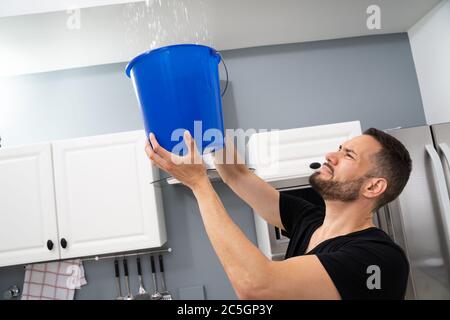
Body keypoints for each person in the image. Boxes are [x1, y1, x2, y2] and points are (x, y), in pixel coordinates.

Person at [145, 127, 412, 300]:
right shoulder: (308, 220)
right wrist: (208, 118)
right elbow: (237, 175)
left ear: (374, 186)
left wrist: (199, 184)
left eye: (348, 155)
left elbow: (256, 286)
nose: (331, 155)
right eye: (339, 148)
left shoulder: (380, 259)